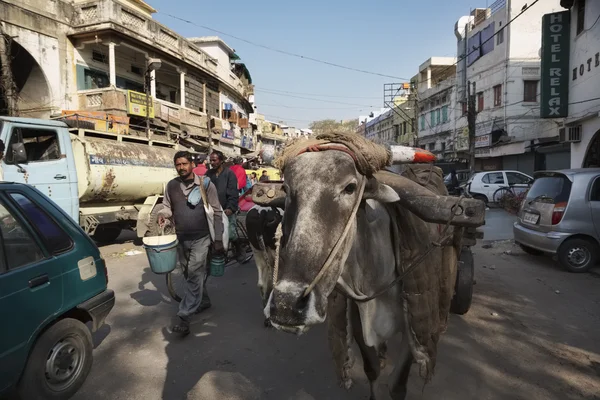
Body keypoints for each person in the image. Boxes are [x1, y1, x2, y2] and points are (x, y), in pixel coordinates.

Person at [158, 151, 224, 336]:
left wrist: (218, 238)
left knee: (194, 275)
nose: (181, 168)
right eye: (178, 164)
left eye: (184, 164)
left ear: (192, 164)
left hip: (202, 238)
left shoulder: (205, 184)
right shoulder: (171, 186)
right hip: (180, 238)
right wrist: (163, 215)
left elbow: (217, 212)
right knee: (188, 274)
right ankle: (204, 301)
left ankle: (184, 316)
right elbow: (167, 207)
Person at [206, 151, 251, 264]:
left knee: (230, 234)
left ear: (221, 161)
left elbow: (233, 193)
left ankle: (239, 248)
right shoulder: (209, 173)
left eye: (214, 160)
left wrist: (230, 208)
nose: (212, 162)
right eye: (210, 160)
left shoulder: (229, 174)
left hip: (227, 207)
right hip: (213, 208)